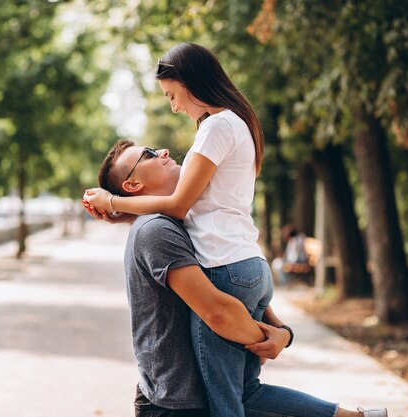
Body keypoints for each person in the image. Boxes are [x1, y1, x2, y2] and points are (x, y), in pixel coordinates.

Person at [85, 140, 387, 417]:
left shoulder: (183, 220)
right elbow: (219, 311)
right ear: (133, 183)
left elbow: (227, 284)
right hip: (177, 403)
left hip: (209, 395)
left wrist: (281, 331)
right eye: (149, 154)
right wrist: (268, 338)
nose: (163, 151)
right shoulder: (155, 231)